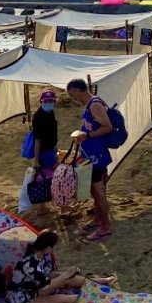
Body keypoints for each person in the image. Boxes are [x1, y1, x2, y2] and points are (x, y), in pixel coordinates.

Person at [66, 79, 113, 241]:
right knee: (96, 191)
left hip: (96, 157)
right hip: (91, 154)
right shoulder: (91, 104)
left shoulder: (94, 105)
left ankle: (105, 227)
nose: (74, 99)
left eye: (73, 95)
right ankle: (98, 219)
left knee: (98, 193)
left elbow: (107, 127)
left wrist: (87, 135)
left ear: (80, 90)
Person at [5, 230, 86, 303]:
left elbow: (43, 278)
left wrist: (62, 276)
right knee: (60, 299)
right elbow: (45, 288)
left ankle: (97, 281)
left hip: (32, 291)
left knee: (59, 275)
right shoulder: (30, 264)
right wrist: (66, 275)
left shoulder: (38, 255)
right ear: (48, 248)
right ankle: (89, 299)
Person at [32, 89, 59, 173]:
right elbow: (37, 140)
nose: (49, 103)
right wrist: (36, 161)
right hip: (44, 152)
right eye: (46, 101)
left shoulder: (50, 112)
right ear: (41, 102)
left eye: (51, 101)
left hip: (51, 148)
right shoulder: (38, 118)